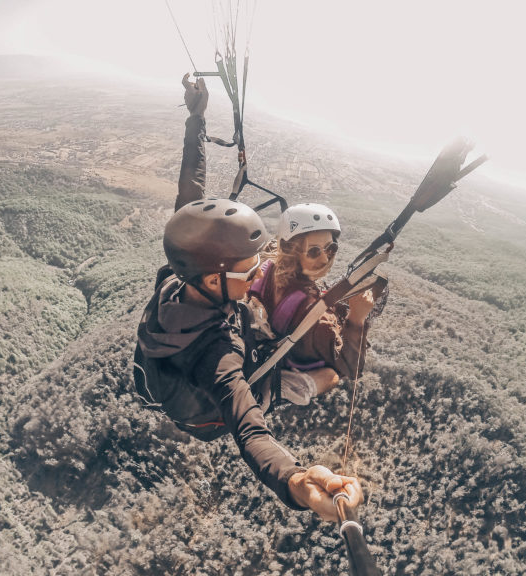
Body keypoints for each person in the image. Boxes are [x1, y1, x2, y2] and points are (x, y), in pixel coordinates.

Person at [133, 74, 361, 520]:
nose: (260, 269)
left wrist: (196, 120)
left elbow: (190, 196)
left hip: (186, 376)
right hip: (210, 413)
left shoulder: (177, 277)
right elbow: (249, 429)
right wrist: (296, 481)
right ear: (215, 279)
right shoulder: (218, 355)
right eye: (248, 269)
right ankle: (290, 384)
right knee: (332, 378)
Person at [248, 203, 385, 403]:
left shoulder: (267, 265)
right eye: (314, 251)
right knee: (332, 376)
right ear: (292, 251)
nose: (324, 258)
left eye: (331, 248)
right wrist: (356, 319)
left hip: (268, 333)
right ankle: (282, 388)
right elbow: (350, 367)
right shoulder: (319, 319)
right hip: (288, 357)